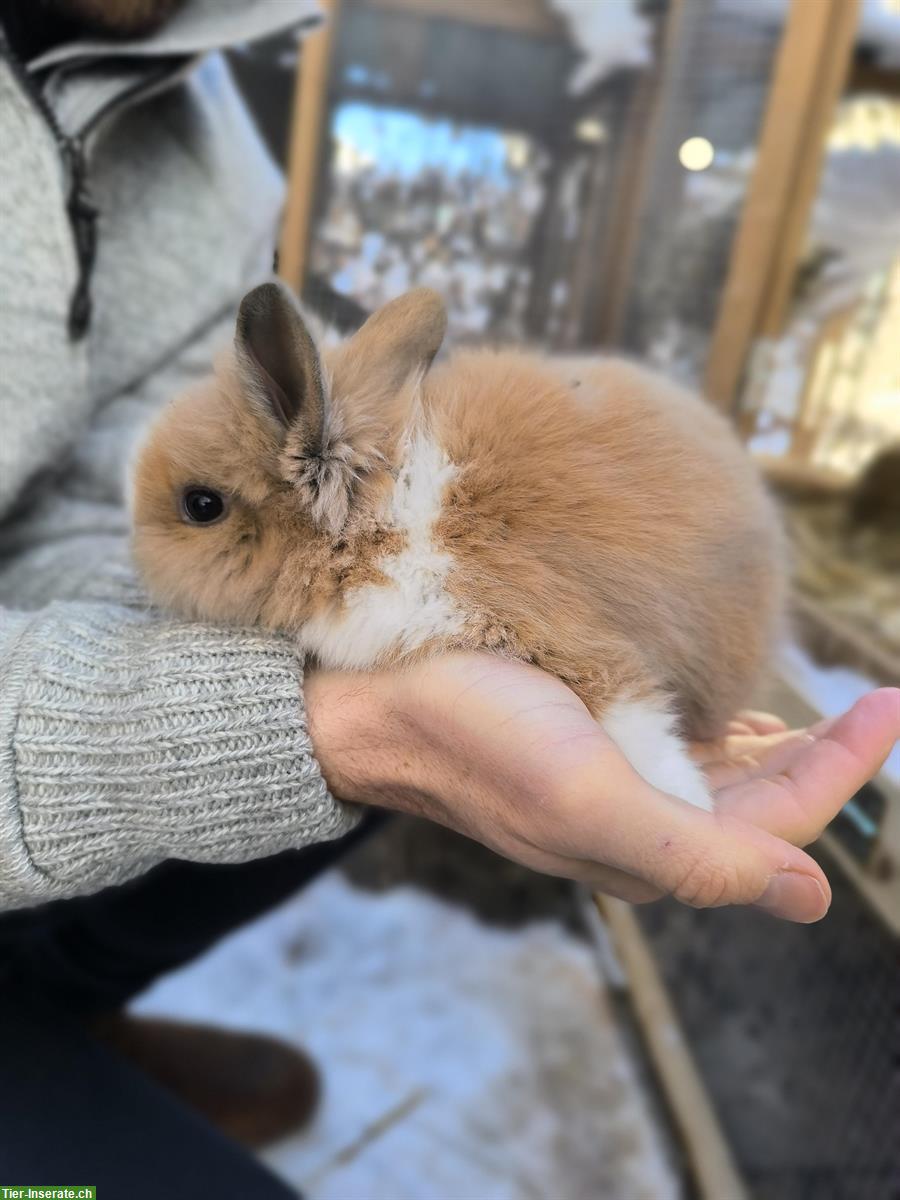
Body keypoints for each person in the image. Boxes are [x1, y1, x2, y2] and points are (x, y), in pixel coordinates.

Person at [1, 0, 897, 1194]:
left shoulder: (198, 122)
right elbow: (174, 508)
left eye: (209, 513)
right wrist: (281, 712)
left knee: (347, 741)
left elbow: (89, 503)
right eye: (201, 514)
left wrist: (278, 713)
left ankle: (51, 1008)